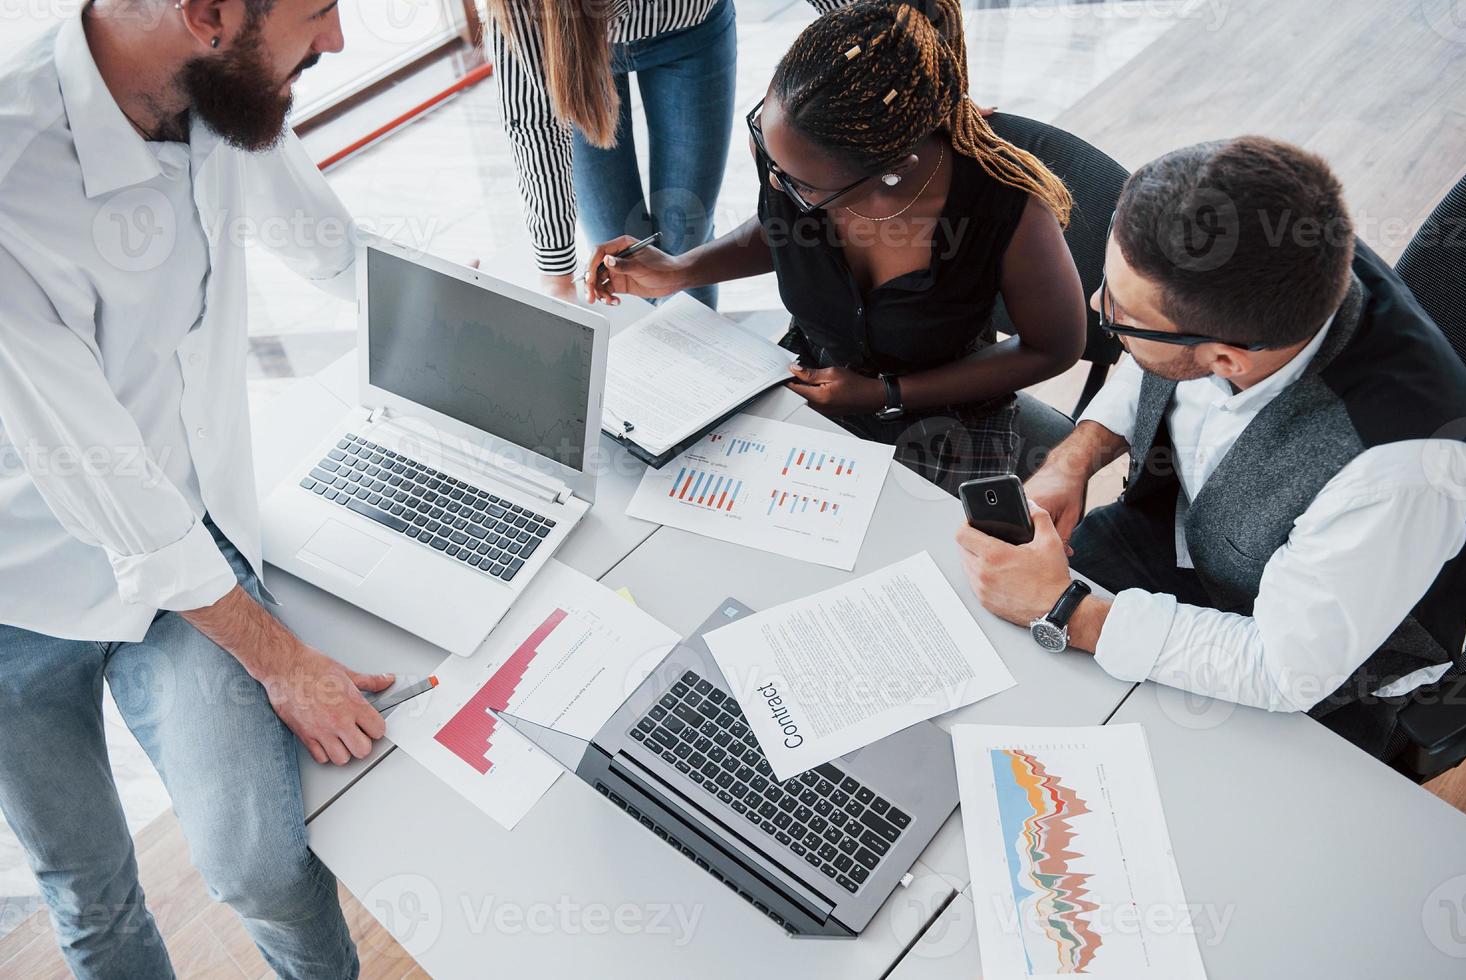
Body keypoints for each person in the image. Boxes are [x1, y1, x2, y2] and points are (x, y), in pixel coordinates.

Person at [0, 1, 397, 975]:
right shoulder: (11, 175)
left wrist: (502, 353)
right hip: (18, 595)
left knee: (260, 863)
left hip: (184, 542)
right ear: (207, 14)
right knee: (89, 895)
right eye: (319, 11)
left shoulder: (219, 90)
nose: (338, 40)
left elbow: (333, 250)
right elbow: (97, 476)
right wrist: (282, 659)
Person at [956, 136, 1466, 760]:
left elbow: (1285, 671)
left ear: (1227, 359)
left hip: (1321, 669)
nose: (1098, 306)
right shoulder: (1258, 260)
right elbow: (1163, 360)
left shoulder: (1400, 469)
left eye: (1117, 313)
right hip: (1173, 534)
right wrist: (1074, 459)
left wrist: (1066, 610)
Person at [587, 0, 1086, 490]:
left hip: (948, 411)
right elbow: (784, 230)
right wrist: (680, 269)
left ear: (896, 169)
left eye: (803, 187)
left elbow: (1054, 347)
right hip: (810, 378)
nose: (778, 186)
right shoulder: (790, 149)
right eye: (772, 160)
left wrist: (884, 393)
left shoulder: (1006, 207)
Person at [485, 0, 851, 307]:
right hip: (568, 39)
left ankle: (701, 380)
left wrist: (873, 34)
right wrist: (557, 277)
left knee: (685, 229)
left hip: (690, 26)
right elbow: (531, 122)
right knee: (614, 256)